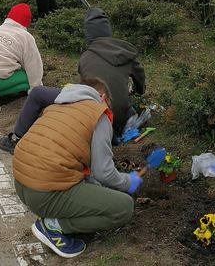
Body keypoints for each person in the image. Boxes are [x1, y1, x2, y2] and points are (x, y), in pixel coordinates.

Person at [13, 77, 142, 258]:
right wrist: (128, 181)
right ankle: (54, 226)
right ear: (102, 96)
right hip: (44, 193)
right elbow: (103, 172)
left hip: (21, 185)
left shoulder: (57, 106)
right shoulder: (98, 114)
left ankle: (53, 215)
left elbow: (80, 163)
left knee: (92, 186)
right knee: (123, 207)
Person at [0, 7, 145, 154]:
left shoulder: (87, 57)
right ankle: (115, 132)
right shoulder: (126, 54)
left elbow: (84, 91)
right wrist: (136, 91)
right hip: (120, 115)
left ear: (88, 34)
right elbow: (140, 82)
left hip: (91, 113)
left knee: (38, 93)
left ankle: (16, 139)